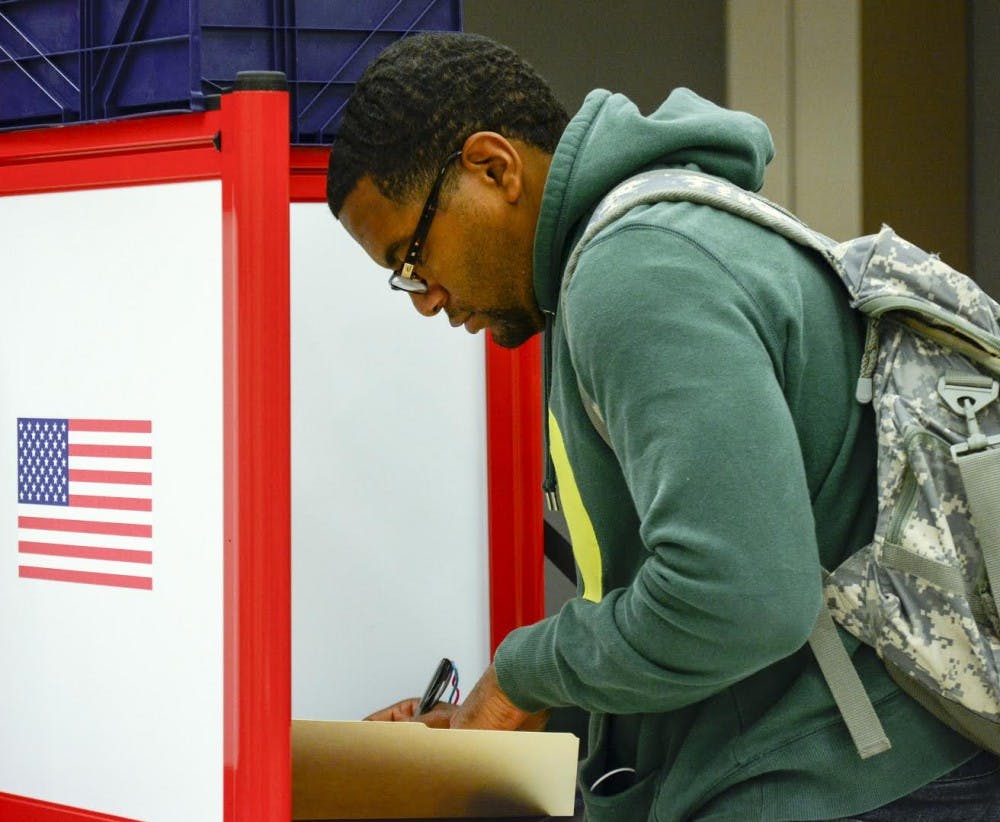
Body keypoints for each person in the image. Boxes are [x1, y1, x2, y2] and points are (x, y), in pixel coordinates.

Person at [325, 31, 997, 821]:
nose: (425, 297)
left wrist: (520, 675)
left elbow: (739, 598)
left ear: (494, 168)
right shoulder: (643, 246)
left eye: (412, 255)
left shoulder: (636, 273)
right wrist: (506, 725)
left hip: (841, 784)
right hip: (849, 762)